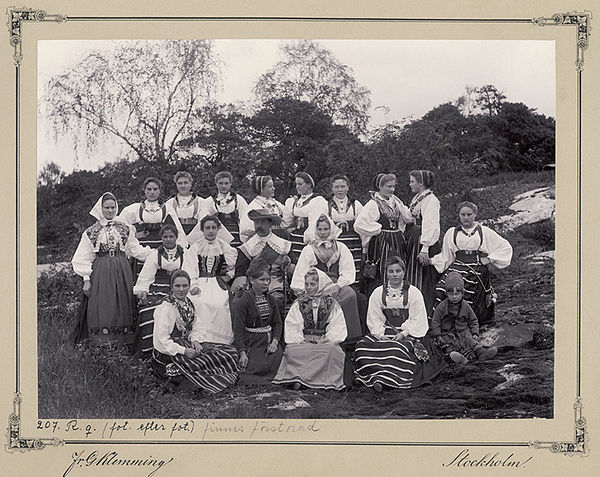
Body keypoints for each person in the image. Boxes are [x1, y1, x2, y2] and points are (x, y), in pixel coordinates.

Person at [354, 256, 445, 392]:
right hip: (384, 332)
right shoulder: (378, 292)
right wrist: (380, 334)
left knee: (396, 350)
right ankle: (375, 378)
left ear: (404, 272)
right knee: (362, 348)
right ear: (386, 273)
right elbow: (374, 318)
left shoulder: (414, 293)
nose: (395, 275)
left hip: (408, 333)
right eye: (391, 271)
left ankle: (388, 380)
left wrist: (404, 333)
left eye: (398, 271)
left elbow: (417, 318)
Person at [71, 192, 150, 346]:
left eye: (113, 207)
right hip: (101, 271)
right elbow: (82, 258)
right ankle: (103, 343)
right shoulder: (91, 232)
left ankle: (124, 343)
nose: (110, 210)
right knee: (104, 303)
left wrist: (158, 255)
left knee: (123, 301)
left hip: (122, 270)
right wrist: (86, 280)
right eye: (107, 207)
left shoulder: (125, 229)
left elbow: (136, 250)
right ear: (100, 209)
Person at [152, 270, 239, 394]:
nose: (181, 289)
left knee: (230, 352)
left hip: (186, 343)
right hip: (169, 351)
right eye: (177, 286)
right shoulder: (166, 308)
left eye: (185, 286)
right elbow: (161, 341)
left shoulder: (188, 302)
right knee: (204, 363)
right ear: (171, 287)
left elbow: (197, 326)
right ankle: (191, 382)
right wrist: (184, 351)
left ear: (189, 286)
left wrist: (196, 340)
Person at [431, 201, 513, 326]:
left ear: (475, 215)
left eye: (469, 214)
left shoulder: (484, 231)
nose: (466, 217)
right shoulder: (452, 232)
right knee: (442, 288)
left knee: (465, 292)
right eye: (463, 214)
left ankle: (466, 324)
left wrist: (490, 259)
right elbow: (446, 256)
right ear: (458, 215)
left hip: (477, 267)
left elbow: (505, 247)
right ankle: (445, 324)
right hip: (457, 266)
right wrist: (430, 261)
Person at [292, 213, 365, 340]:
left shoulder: (341, 247)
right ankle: (319, 335)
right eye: (319, 229)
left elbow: (347, 271)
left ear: (331, 229)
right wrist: (304, 289)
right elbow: (301, 272)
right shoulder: (309, 249)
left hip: (337, 286)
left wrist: (338, 285)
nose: (322, 232)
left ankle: (349, 337)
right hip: (316, 286)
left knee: (350, 294)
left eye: (326, 229)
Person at [272, 268, 348, 390]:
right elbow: (293, 325)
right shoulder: (299, 303)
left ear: (321, 284)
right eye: (306, 284)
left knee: (332, 350)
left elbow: (337, 325)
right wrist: (301, 340)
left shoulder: (331, 303)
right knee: (292, 350)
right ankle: (298, 378)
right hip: (304, 341)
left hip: (324, 342)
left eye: (312, 284)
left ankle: (317, 380)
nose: (309, 287)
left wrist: (327, 339)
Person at [133, 224, 194, 355]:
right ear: (161, 238)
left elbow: (190, 275)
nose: (168, 239)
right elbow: (146, 275)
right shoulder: (155, 254)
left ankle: (179, 347)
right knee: (148, 313)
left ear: (176, 237)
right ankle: (151, 351)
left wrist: (189, 288)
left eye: (171, 236)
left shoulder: (185, 253)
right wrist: (142, 291)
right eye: (165, 236)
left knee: (179, 311)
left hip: (178, 287)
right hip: (158, 288)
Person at [354, 173, 413, 296]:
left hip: (397, 241)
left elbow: (407, 218)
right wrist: (378, 229)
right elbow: (359, 224)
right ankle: (381, 298)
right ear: (380, 187)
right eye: (388, 186)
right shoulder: (374, 203)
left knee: (399, 267)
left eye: (393, 186)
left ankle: (397, 296)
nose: (391, 189)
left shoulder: (395, 201)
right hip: (382, 243)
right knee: (382, 270)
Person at [184, 215, 237, 345]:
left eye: (214, 228)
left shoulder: (223, 246)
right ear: (202, 230)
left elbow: (235, 263)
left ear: (218, 229)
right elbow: (189, 268)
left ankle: (219, 341)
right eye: (207, 228)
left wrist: (229, 276)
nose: (211, 231)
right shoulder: (196, 247)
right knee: (200, 303)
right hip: (199, 282)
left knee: (220, 305)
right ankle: (201, 339)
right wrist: (193, 285)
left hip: (217, 283)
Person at [232, 258, 284, 385]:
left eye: (267, 280)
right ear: (251, 280)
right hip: (252, 343)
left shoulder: (271, 300)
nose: (266, 283)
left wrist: (275, 342)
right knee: (251, 369)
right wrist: (242, 353)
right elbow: (238, 330)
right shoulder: (243, 302)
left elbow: (277, 323)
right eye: (262, 280)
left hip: (269, 342)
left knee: (278, 358)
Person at [232, 209, 292, 316]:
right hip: (253, 285)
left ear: (270, 223)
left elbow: (293, 268)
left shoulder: (283, 245)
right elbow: (240, 272)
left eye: (262, 222)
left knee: (276, 302)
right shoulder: (247, 247)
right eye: (256, 223)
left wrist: (287, 266)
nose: (259, 226)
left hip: (277, 284)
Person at [431, 272, 498, 364]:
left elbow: (473, 320)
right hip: (447, 333)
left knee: (470, 340)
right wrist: (438, 335)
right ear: (446, 293)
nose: (454, 297)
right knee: (449, 344)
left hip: (463, 331)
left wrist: (475, 332)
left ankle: (482, 353)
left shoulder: (465, 306)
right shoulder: (441, 307)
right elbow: (435, 321)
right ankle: (460, 358)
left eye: (457, 293)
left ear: (462, 293)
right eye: (451, 294)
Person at [404, 170, 441, 315]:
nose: (410, 184)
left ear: (422, 183)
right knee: (413, 275)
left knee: (424, 278)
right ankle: (412, 311)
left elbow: (430, 225)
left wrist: (425, 248)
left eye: (413, 181)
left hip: (423, 243)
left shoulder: (431, 200)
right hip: (413, 240)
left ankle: (426, 314)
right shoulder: (418, 198)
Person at [118, 177, 169, 278]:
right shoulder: (134, 208)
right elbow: (121, 227)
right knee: (142, 274)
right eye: (149, 189)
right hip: (142, 246)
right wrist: (134, 235)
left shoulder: (167, 208)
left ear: (159, 190)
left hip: (161, 245)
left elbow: (177, 230)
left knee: (161, 274)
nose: (152, 192)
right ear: (144, 190)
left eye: (155, 189)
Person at [326, 174, 364, 288]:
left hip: (353, 242)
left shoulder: (355, 204)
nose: (340, 190)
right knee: (337, 265)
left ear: (348, 187)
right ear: (332, 188)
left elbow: (362, 224)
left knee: (353, 265)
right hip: (335, 242)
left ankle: (354, 289)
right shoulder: (326, 204)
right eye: (336, 187)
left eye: (342, 186)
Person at [283, 172, 328, 264]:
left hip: (308, 239)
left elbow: (314, 223)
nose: (297, 187)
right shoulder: (293, 201)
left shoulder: (316, 201)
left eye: (300, 184)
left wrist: (310, 240)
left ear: (309, 185)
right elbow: (286, 222)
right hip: (294, 238)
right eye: (296, 184)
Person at [205, 171, 249, 248]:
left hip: (236, 239)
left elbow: (245, 220)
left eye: (226, 183)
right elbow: (206, 222)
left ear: (230, 184)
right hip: (218, 239)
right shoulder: (210, 201)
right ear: (216, 184)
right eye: (221, 183)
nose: (223, 186)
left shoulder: (239, 200)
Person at [240, 175, 289, 242]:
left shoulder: (275, 203)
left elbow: (288, 217)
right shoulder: (253, 207)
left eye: (273, 186)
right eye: (270, 187)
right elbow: (245, 230)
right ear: (261, 189)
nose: (273, 188)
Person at [164, 171, 206, 247]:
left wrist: (191, 240)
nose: (183, 186)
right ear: (176, 184)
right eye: (180, 183)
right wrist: (181, 240)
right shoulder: (170, 203)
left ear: (191, 183)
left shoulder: (201, 201)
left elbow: (203, 223)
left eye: (186, 183)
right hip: (177, 238)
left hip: (196, 238)